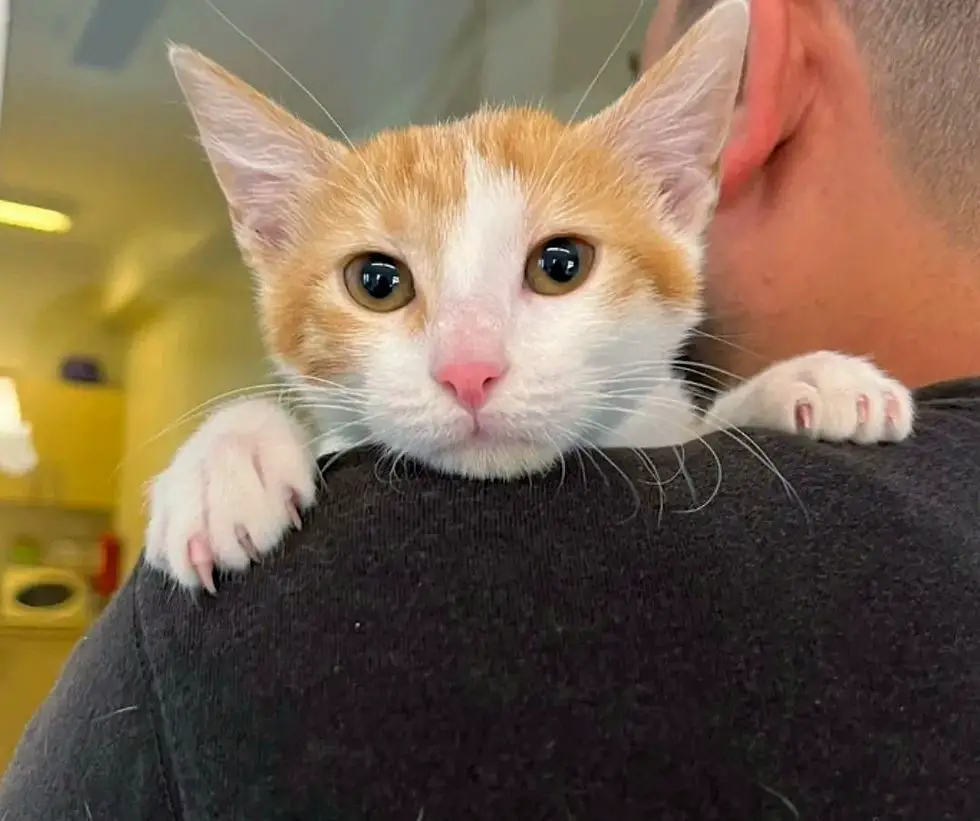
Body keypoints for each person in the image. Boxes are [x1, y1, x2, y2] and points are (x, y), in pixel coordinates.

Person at [3, 0, 979, 817]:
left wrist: (756, 408)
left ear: (678, 189)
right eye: (380, 283)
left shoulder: (214, 652)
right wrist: (241, 431)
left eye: (558, 265)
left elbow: (688, 454)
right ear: (268, 232)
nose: (468, 368)